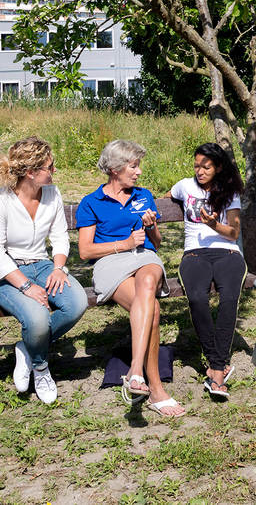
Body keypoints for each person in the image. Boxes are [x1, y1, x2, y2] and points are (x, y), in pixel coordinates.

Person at [75, 139, 185, 418]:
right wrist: (123, 244)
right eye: (133, 166)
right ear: (114, 169)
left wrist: (150, 229)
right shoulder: (91, 202)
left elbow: (156, 244)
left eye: (138, 166)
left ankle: (136, 371)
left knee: (148, 282)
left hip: (145, 258)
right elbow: (86, 251)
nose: (138, 172)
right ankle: (156, 390)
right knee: (154, 310)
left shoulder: (144, 195)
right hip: (110, 263)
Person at [0, 136, 88, 405]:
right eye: (50, 167)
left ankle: (28, 348)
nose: (54, 171)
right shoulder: (0, 200)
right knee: (38, 317)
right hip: (6, 272)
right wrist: (26, 286)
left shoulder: (52, 194)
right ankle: (41, 366)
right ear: (31, 173)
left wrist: (59, 267)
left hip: (42, 264)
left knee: (76, 303)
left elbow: (61, 237)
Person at [168, 143, 246, 401]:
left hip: (228, 252)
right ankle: (218, 366)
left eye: (206, 166)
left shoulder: (230, 191)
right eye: (197, 165)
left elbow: (234, 233)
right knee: (198, 299)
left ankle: (216, 369)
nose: (200, 171)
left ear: (218, 167)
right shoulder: (185, 186)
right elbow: (171, 193)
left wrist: (214, 225)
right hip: (195, 253)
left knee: (228, 300)